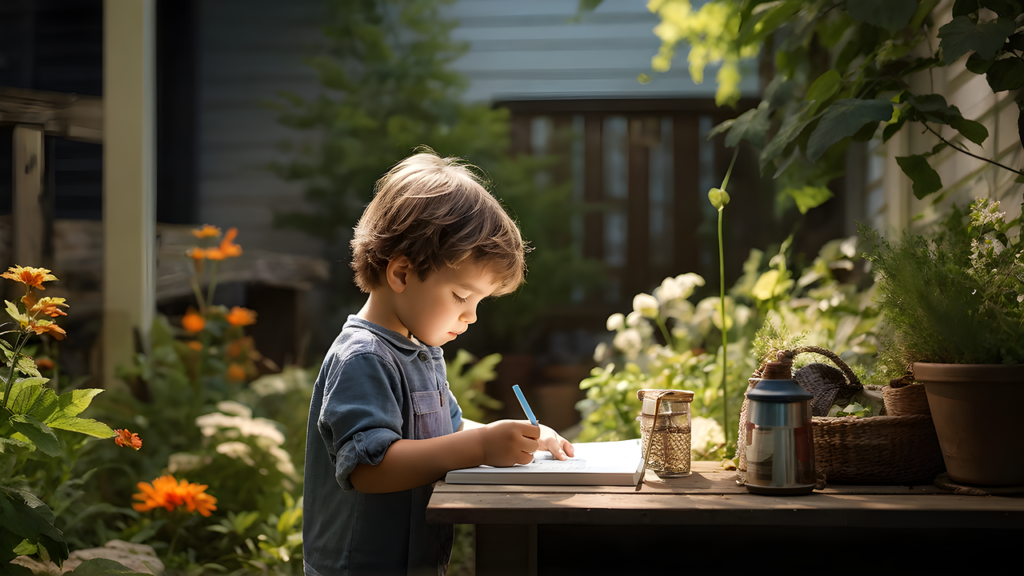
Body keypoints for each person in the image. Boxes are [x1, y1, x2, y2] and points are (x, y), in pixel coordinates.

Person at [302, 151, 574, 576]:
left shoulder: (421, 352)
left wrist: (518, 438)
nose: (472, 316)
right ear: (402, 274)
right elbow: (370, 470)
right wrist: (481, 447)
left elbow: (444, 431)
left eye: (479, 302)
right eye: (462, 297)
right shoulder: (363, 357)